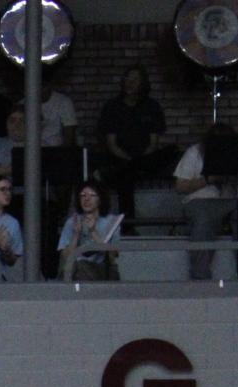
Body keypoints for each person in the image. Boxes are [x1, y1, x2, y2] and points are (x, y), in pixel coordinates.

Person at [98, 66, 164, 220]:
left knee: (171, 151)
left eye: (135, 80)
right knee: (125, 173)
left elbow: (153, 143)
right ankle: (128, 224)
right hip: (120, 160)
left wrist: (139, 159)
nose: (130, 83)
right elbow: (111, 144)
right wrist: (128, 160)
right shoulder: (112, 107)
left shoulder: (152, 107)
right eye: (127, 78)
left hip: (145, 159)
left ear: (143, 84)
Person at [175, 124, 237, 282]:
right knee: (203, 222)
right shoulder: (195, 153)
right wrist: (209, 179)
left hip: (230, 199)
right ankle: (200, 276)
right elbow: (180, 186)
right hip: (200, 200)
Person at [58, 179, 123, 282]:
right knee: (76, 267)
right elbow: (66, 257)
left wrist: (93, 231)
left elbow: (113, 256)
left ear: (100, 199)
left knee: (82, 267)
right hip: (74, 270)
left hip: (100, 270)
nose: (86, 199)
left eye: (92, 195)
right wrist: (76, 234)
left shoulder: (111, 221)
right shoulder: (72, 221)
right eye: (83, 195)